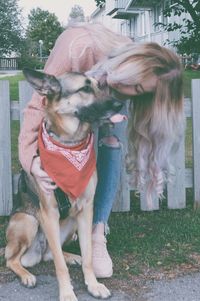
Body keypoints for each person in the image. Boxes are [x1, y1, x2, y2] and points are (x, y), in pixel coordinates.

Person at [18, 23, 184, 279]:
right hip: (80, 89)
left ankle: (97, 233)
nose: (130, 95)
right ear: (130, 65)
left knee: (112, 144)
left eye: (140, 94)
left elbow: (125, 96)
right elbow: (38, 106)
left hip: (107, 86)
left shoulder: (125, 85)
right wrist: (30, 159)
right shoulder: (77, 46)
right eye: (136, 87)